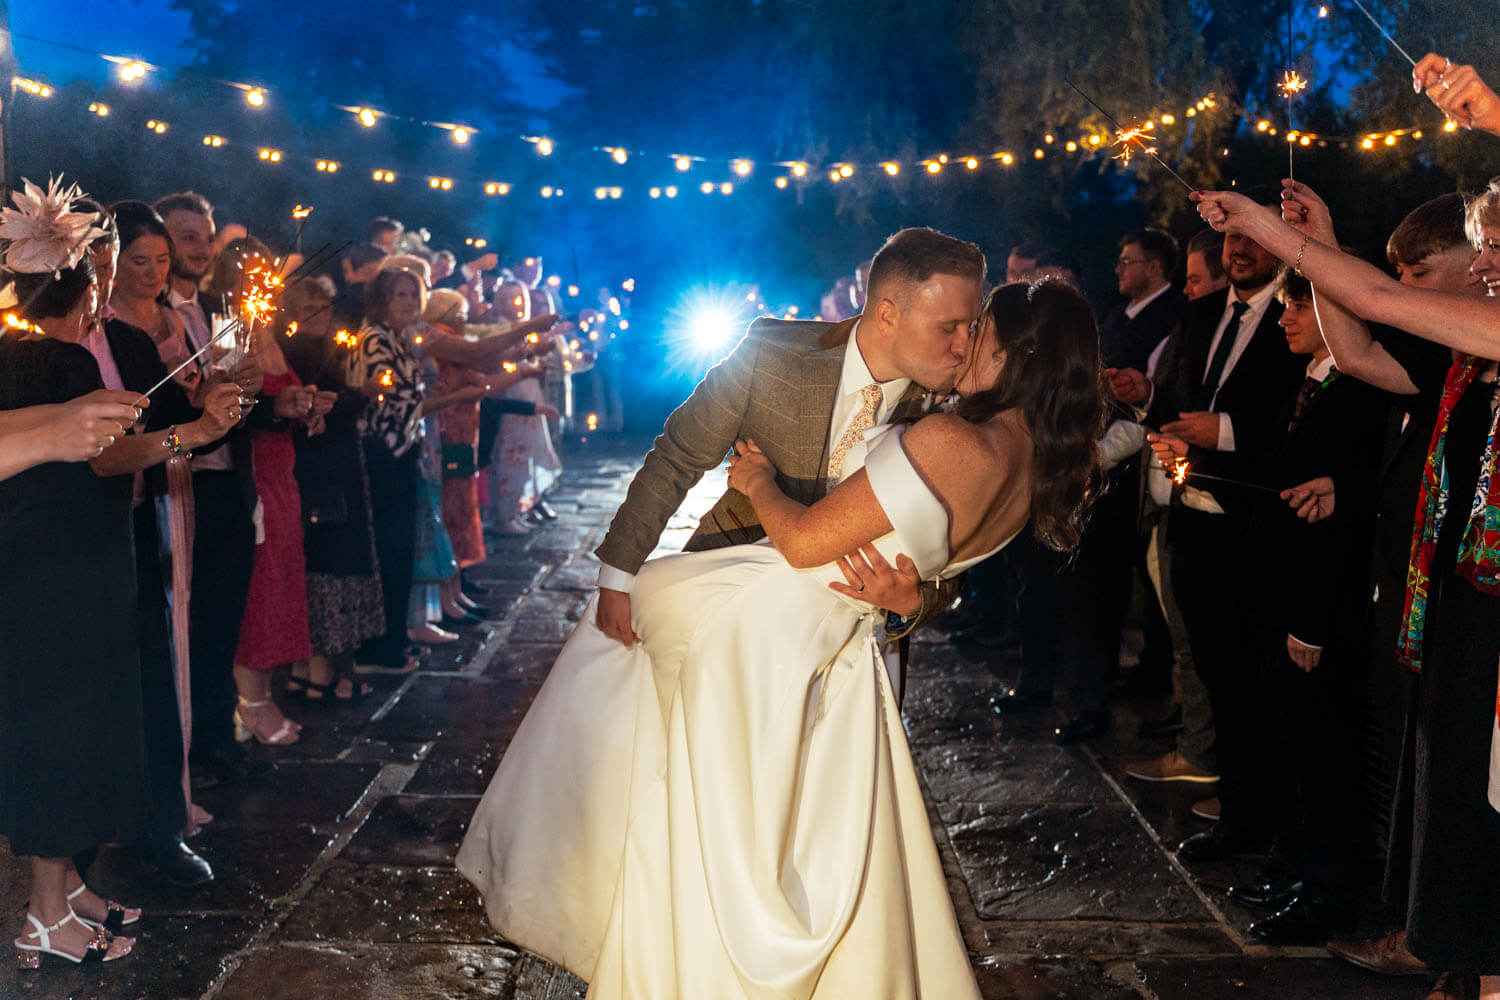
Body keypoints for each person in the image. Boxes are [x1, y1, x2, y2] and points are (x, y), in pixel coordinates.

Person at [457, 277, 1104, 996]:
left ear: (1016, 352)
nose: (964, 343)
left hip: (769, 633)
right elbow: (928, 557)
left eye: (978, 331)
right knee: (790, 830)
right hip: (845, 646)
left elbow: (800, 542)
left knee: (711, 814)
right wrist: (912, 597)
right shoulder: (1032, 465)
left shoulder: (953, 436)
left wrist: (757, 480)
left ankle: (684, 958)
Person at [1192, 63, 1500, 985]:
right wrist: (1312, 246)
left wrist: (1274, 234)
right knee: (1460, 799)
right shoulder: (1461, 362)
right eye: (1485, 246)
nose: (1487, 261)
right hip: (1456, 603)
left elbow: (1379, 301)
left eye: (1497, 246)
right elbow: (1360, 335)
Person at [590, 228, 985, 678]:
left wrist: (916, 602)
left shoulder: (953, 413)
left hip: (854, 647)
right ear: (888, 316)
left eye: (970, 327)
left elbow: (960, 544)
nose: (963, 346)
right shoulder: (771, 354)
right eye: (948, 327)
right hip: (731, 606)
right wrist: (617, 578)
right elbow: (678, 455)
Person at [279, 277, 383, 702]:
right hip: (319, 474)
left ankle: (307, 671)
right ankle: (319, 674)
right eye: (309, 311)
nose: (319, 318)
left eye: (324, 309)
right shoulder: (298, 350)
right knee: (325, 566)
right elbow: (320, 403)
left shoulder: (325, 348)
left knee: (321, 566)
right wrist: (362, 396)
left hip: (329, 469)